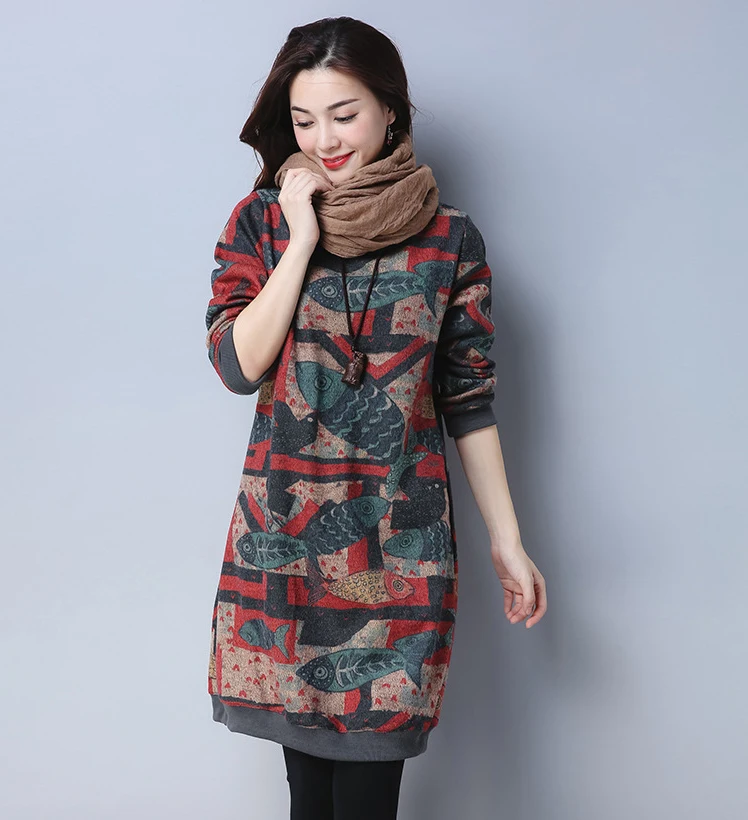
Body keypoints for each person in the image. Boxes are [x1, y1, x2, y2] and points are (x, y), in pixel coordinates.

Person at [204, 16, 547, 820]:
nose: (324, 139)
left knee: (367, 798)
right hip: (287, 545)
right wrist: (300, 241)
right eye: (303, 121)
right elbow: (237, 365)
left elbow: (468, 403)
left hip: (400, 551)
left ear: (390, 110)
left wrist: (508, 540)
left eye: (344, 114)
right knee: (309, 799)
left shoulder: (448, 240)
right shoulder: (261, 224)